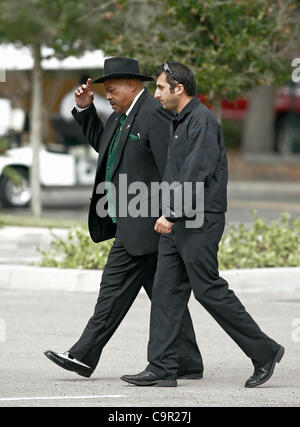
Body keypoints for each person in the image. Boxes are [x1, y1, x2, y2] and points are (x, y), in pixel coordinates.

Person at [121, 61, 284, 388]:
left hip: (199, 220)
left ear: (178, 89)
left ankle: (264, 351)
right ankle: (162, 367)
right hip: (177, 220)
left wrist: (171, 214)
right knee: (166, 292)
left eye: (161, 88)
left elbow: (197, 172)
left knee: (208, 290)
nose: (157, 94)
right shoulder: (178, 121)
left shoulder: (202, 121)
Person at [44, 57, 204, 379]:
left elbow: (172, 166)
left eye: (112, 89)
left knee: (112, 290)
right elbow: (106, 149)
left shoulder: (154, 114)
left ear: (132, 85)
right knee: (164, 295)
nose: (109, 95)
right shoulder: (121, 116)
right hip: (136, 223)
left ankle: (83, 355)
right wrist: (87, 110)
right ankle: (188, 361)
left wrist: (171, 215)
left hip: (147, 224)